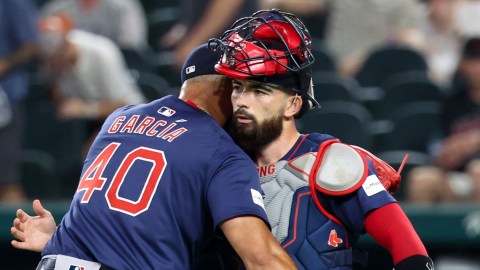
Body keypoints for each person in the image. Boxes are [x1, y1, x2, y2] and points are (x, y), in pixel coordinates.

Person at [11, 43, 297, 269]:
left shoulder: (118, 118)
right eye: (240, 87)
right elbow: (261, 259)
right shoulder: (222, 151)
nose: (244, 99)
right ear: (225, 88)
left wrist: (58, 236)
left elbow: (121, 212)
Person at [211, 9, 434, 269]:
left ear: (293, 105)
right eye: (238, 88)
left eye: (260, 92)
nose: (242, 102)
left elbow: (411, 252)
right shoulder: (220, 166)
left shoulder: (333, 163)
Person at [38, 14, 146, 158]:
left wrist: (85, 109)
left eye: (54, 55)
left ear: (66, 42)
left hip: (129, 119)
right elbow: (59, 100)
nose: (51, 62)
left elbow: (125, 106)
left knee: (93, 153)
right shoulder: (52, 64)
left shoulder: (101, 52)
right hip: (88, 123)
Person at [407, 36, 480, 205]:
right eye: (473, 60)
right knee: (421, 179)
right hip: (459, 177)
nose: (478, 68)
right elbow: (437, 147)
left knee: (478, 170)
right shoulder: (452, 101)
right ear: (463, 65)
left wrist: (473, 141)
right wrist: (445, 154)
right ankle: (422, 233)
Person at [0, 0, 40, 202]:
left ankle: (23, 234)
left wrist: (4, 64)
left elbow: (32, 46)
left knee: (7, 181)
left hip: (5, 99)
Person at [40, 0, 148, 54]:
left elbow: (131, 45)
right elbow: (45, 46)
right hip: (68, 72)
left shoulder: (124, 6)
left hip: (117, 69)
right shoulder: (57, 8)